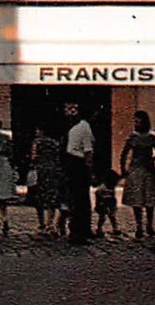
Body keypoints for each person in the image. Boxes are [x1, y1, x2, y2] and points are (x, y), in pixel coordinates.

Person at [120, 109, 155, 239]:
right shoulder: (133, 137)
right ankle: (139, 225)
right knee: (137, 200)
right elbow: (124, 154)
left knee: (149, 199)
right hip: (136, 169)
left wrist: (153, 159)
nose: (136, 124)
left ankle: (149, 225)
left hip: (148, 170)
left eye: (138, 121)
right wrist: (124, 169)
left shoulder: (152, 138)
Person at [64, 103, 96, 244]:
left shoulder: (80, 127)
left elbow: (86, 150)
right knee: (80, 200)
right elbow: (87, 150)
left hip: (76, 164)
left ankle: (80, 230)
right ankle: (79, 231)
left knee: (79, 200)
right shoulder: (81, 127)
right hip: (76, 163)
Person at [30, 127, 65, 237]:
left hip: (41, 171)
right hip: (52, 171)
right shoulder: (55, 143)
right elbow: (58, 157)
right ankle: (50, 222)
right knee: (51, 198)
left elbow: (33, 157)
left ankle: (42, 223)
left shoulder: (37, 142)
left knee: (39, 198)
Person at [94, 170, 121, 238]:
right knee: (102, 217)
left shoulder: (111, 187)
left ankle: (115, 228)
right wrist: (99, 203)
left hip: (110, 204)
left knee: (112, 216)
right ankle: (99, 228)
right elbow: (98, 195)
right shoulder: (102, 188)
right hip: (103, 204)